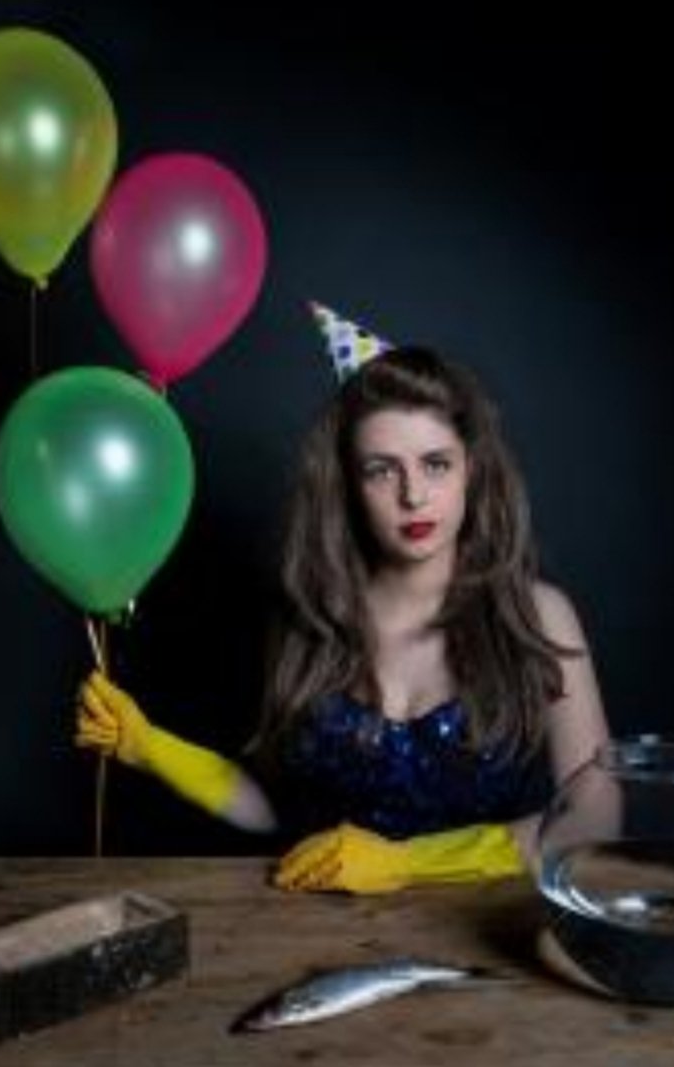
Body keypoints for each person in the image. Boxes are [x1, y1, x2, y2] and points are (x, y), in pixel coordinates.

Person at [76, 303, 610, 893]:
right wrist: (152, 747)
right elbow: (274, 810)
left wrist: (408, 864)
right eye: (382, 470)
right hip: (319, 925)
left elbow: (594, 817)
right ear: (347, 485)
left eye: (436, 464)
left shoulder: (536, 616)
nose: (413, 495)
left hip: (482, 926)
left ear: (472, 471)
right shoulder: (311, 621)